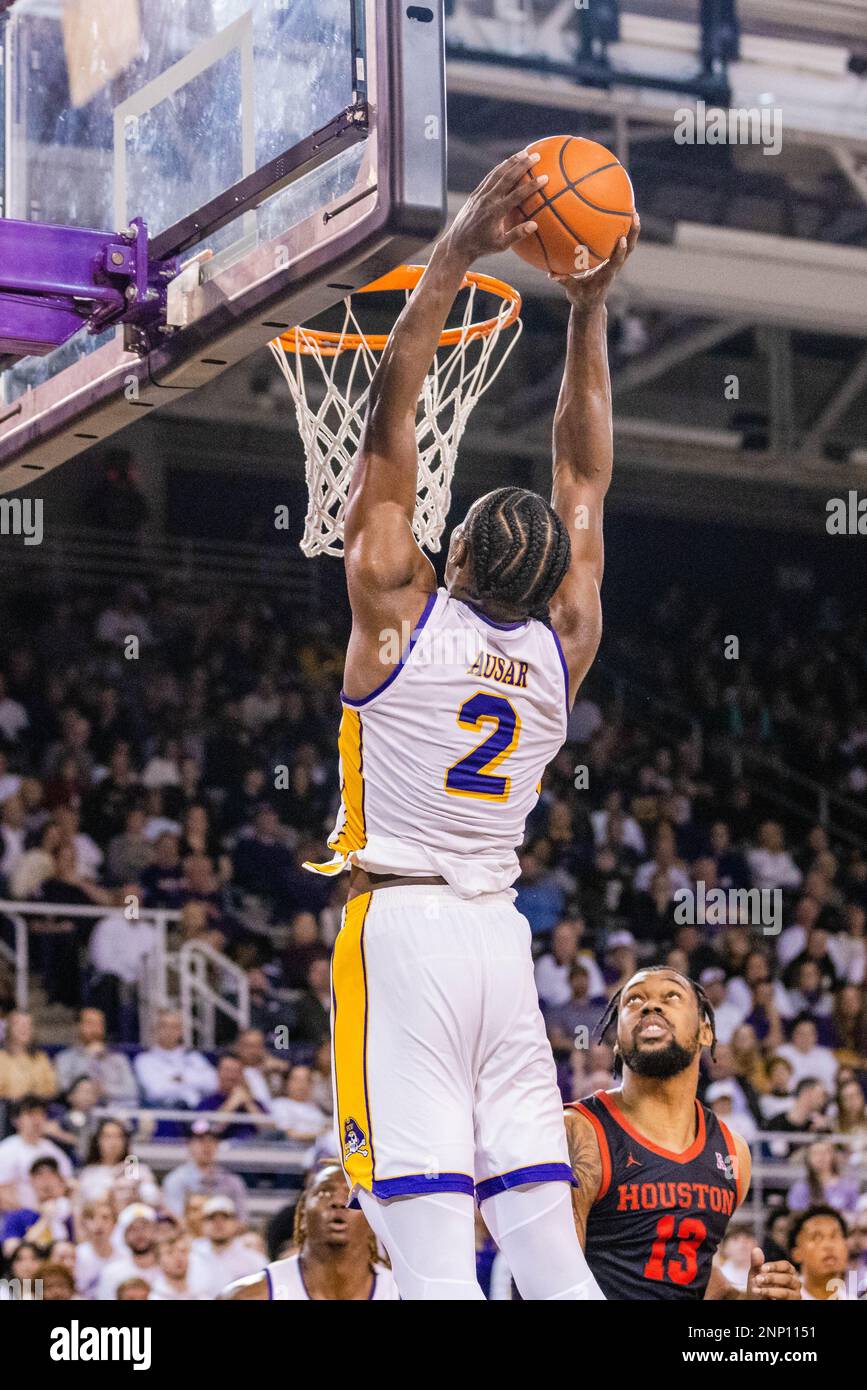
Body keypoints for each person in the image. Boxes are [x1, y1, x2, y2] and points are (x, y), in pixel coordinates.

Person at [303, 152, 640, 1302]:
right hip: (500, 943)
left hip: (400, 933)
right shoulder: (566, 644)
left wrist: (453, 252)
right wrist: (589, 306)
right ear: (553, 579)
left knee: (435, 1251)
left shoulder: (396, 606)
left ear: (446, 554)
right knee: (545, 1245)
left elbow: (390, 431)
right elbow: (585, 474)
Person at [564, 967, 801, 1300]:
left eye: (671, 995)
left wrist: (747, 1300)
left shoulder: (732, 1152)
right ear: (617, 1039)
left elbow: (689, 1274)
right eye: (634, 999)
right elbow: (546, 1279)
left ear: (705, 1031)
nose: (650, 1006)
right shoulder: (579, 1131)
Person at [219, 1163, 399, 1301]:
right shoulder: (248, 1296)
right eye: (324, 1193)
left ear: (373, 1218)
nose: (338, 1202)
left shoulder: (402, 1294)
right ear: (302, 1214)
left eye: (351, 1195)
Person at [161, 1119, 249, 1221]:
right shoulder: (176, 1180)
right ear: (189, 1144)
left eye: (212, 1140)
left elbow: (242, 1220)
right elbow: (177, 1218)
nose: (207, 1145)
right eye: (201, 1140)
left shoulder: (232, 1182)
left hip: (225, 1235)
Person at [133, 1009, 217, 1109]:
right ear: (155, 1029)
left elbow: (213, 1083)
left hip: (197, 1112)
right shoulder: (144, 1060)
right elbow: (156, 1091)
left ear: (181, 1031)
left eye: (174, 1027)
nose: (169, 1031)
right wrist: (193, 1081)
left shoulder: (194, 1057)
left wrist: (178, 1079)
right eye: (164, 1026)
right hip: (165, 1114)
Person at [52, 1007, 138, 1104]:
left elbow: (132, 1092)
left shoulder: (118, 1059)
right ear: (78, 1026)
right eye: (90, 1023)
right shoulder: (64, 1058)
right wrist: (90, 1058)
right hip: (80, 1113)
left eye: (99, 1024)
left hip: (116, 1112)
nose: (95, 1028)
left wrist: (104, 1089)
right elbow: (63, 1087)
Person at [0, 1097, 73, 1211]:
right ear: (16, 1120)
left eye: (40, 1114)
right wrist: (29, 1215)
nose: (36, 1120)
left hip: (51, 1216)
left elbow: (68, 1185)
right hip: (20, 1219)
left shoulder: (53, 1150)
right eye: (30, 1114)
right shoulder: (7, 1150)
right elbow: (3, 1195)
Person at [186, 1196, 261, 1298]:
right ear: (202, 1224)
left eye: (225, 1218)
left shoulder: (254, 1260)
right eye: (211, 1218)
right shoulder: (189, 1258)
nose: (218, 1223)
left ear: (236, 1223)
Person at [96, 1203, 160, 1299]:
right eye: (132, 1229)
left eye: (144, 1227)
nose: (140, 1233)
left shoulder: (170, 1269)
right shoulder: (111, 1273)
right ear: (124, 1236)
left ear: (155, 1230)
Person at [790, 1205, 851, 1300]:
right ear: (797, 1254)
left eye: (834, 1236)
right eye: (816, 1238)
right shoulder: (786, 1296)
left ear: (846, 1246)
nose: (828, 1245)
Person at [0, 1011, 58, 1102]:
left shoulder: (41, 1058)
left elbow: (51, 1089)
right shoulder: (1, 1058)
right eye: (18, 1024)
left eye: (28, 1025)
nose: (24, 1028)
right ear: (8, 1029)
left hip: (38, 1110)